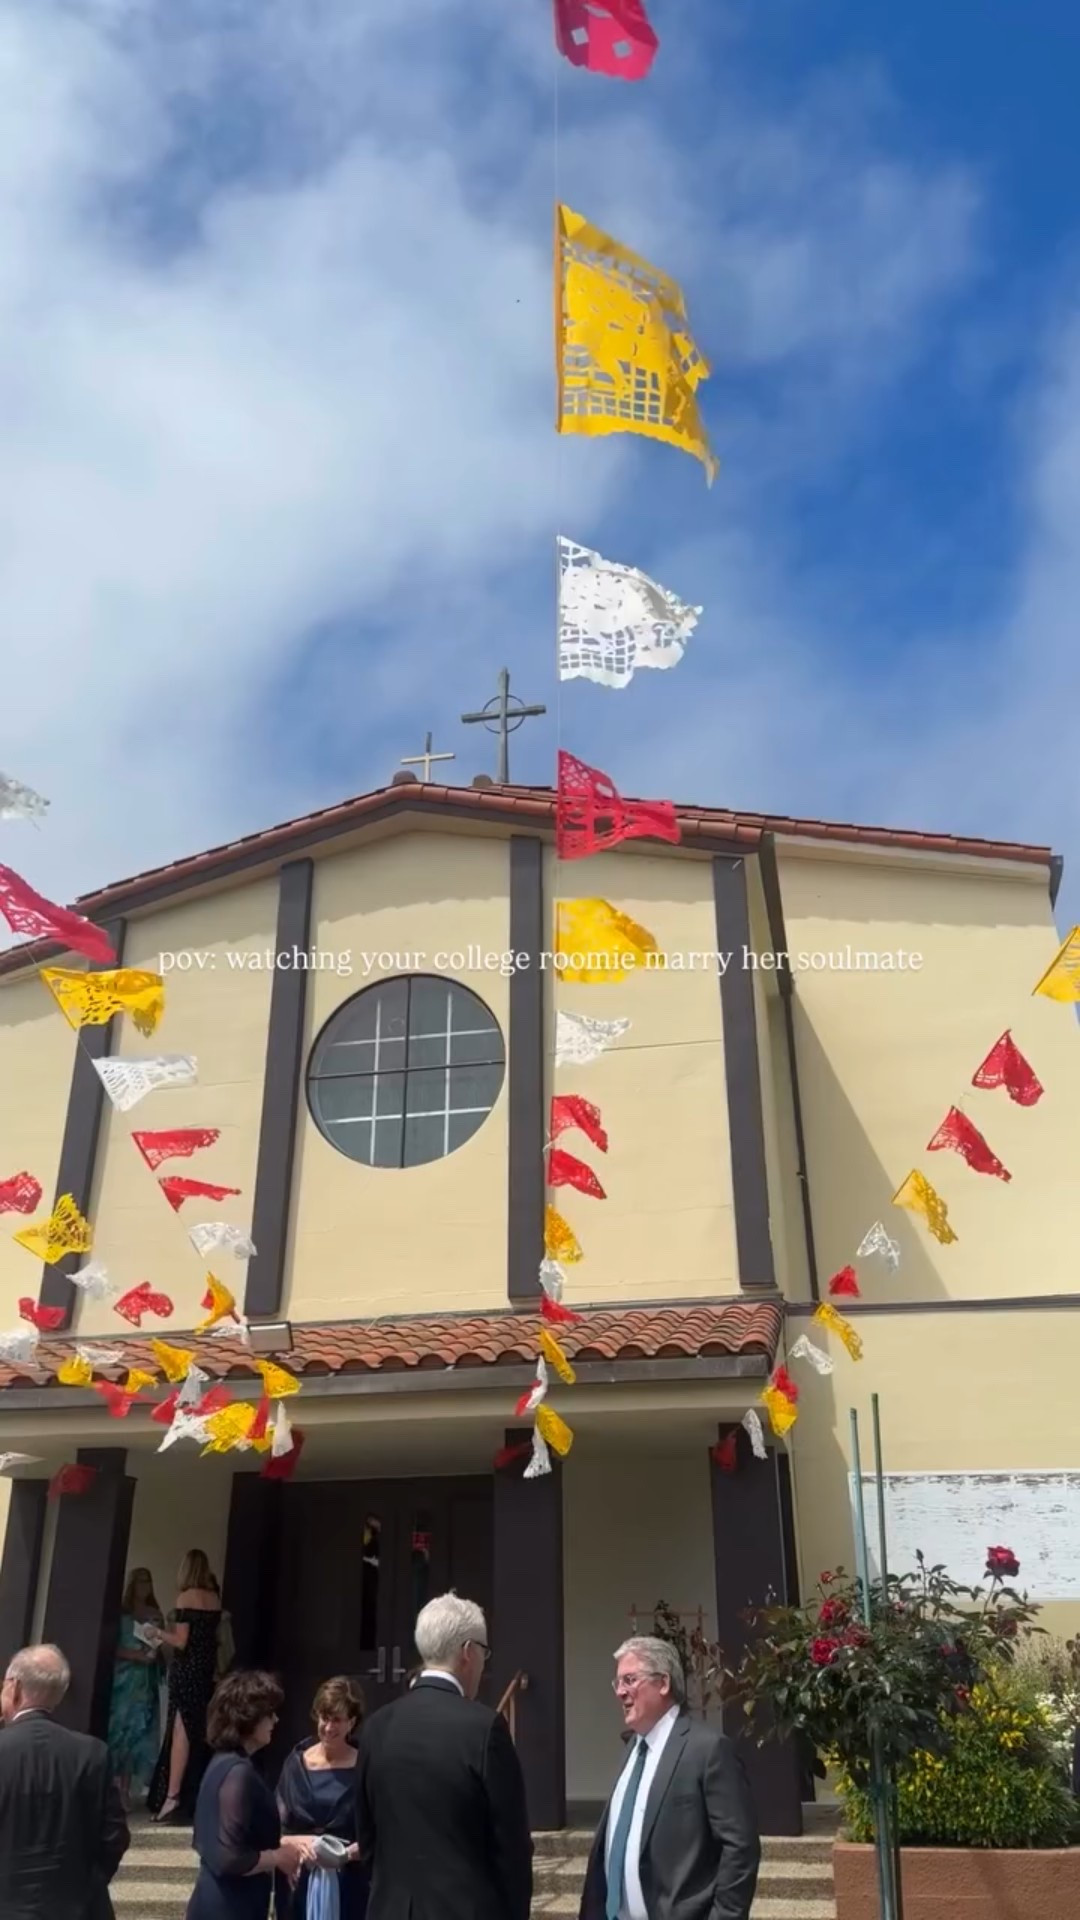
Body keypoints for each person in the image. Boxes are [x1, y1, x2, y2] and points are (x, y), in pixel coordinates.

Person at [356, 1592, 532, 1920]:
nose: (484, 1662)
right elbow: (512, 1848)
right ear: (468, 1652)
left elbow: (367, 1837)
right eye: (484, 1652)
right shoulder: (485, 1728)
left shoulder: (377, 1726)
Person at [577, 1636, 760, 1920]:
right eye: (618, 1683)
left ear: (663, 1683)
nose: (620, 1692)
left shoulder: (707, 1749)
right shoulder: (632, 1749)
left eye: (630, 1680)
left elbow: (740, 1849)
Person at [0, 1643, 130, 1920]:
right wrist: (88, 1885)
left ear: (14, 1687)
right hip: (75, 1907)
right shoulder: (92, 1753)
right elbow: (114, 1836)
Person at [187, 1669, 314, 1919]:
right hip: (229, 1907)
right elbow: (229, 1859)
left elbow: (236, 1839)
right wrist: (278, 1857)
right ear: (249, 1717)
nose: (275, 1720)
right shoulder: (238, 1772)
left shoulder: (224, 1763)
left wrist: (284, 1844)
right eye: (269, 1714)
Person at [276, 1675, 369, 1919]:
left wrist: (344, 1855)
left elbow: (380, 1830)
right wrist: (295, 1845)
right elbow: (277, 1829)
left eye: (337, 1720)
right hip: (300, 1878)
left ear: (352, 1722)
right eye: (324, 1718)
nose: (328, 1728)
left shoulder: (367, 1766)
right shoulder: (296, 1764)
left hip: (352, 1881)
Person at [147, 1548, 224, 1822]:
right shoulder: (215, 1599)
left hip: (186, 1668)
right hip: (205, 1670)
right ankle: (195, 1793)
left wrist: (156, 1632)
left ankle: (173, 1796)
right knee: (200, 1730)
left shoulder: (185, 1597)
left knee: (180, 1729)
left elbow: (181, 1641)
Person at [107, 1567, 164, 1808]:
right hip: (124, 1680)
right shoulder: (121, 1612)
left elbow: (163, 1645)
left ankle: (126, 1790)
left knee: (139, 1735)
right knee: (119, 1731)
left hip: (145, 1682)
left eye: (148, 1581)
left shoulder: (154, 1613)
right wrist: (134, 1655)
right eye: (140, 1581)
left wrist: (156, 1651)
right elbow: (111, 1647)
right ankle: (112, 1787)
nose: (144, 1586)